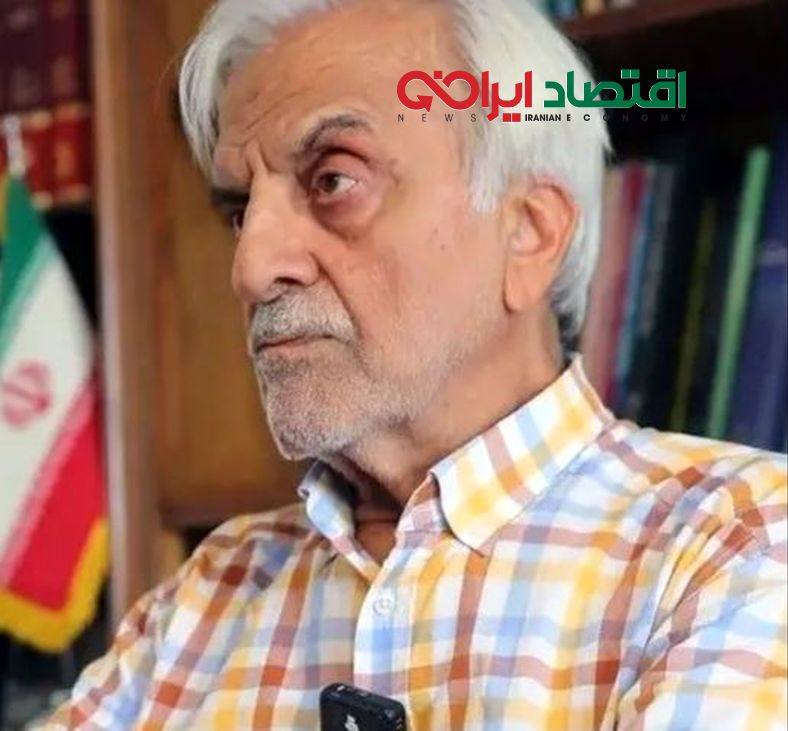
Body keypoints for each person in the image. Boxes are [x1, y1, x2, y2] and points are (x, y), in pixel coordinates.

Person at [42, 0, 788, 728]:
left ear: (529, 232)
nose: (251, 267)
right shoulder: (205, 598)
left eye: (333, 181)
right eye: (240, 212)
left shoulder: (739, 543)